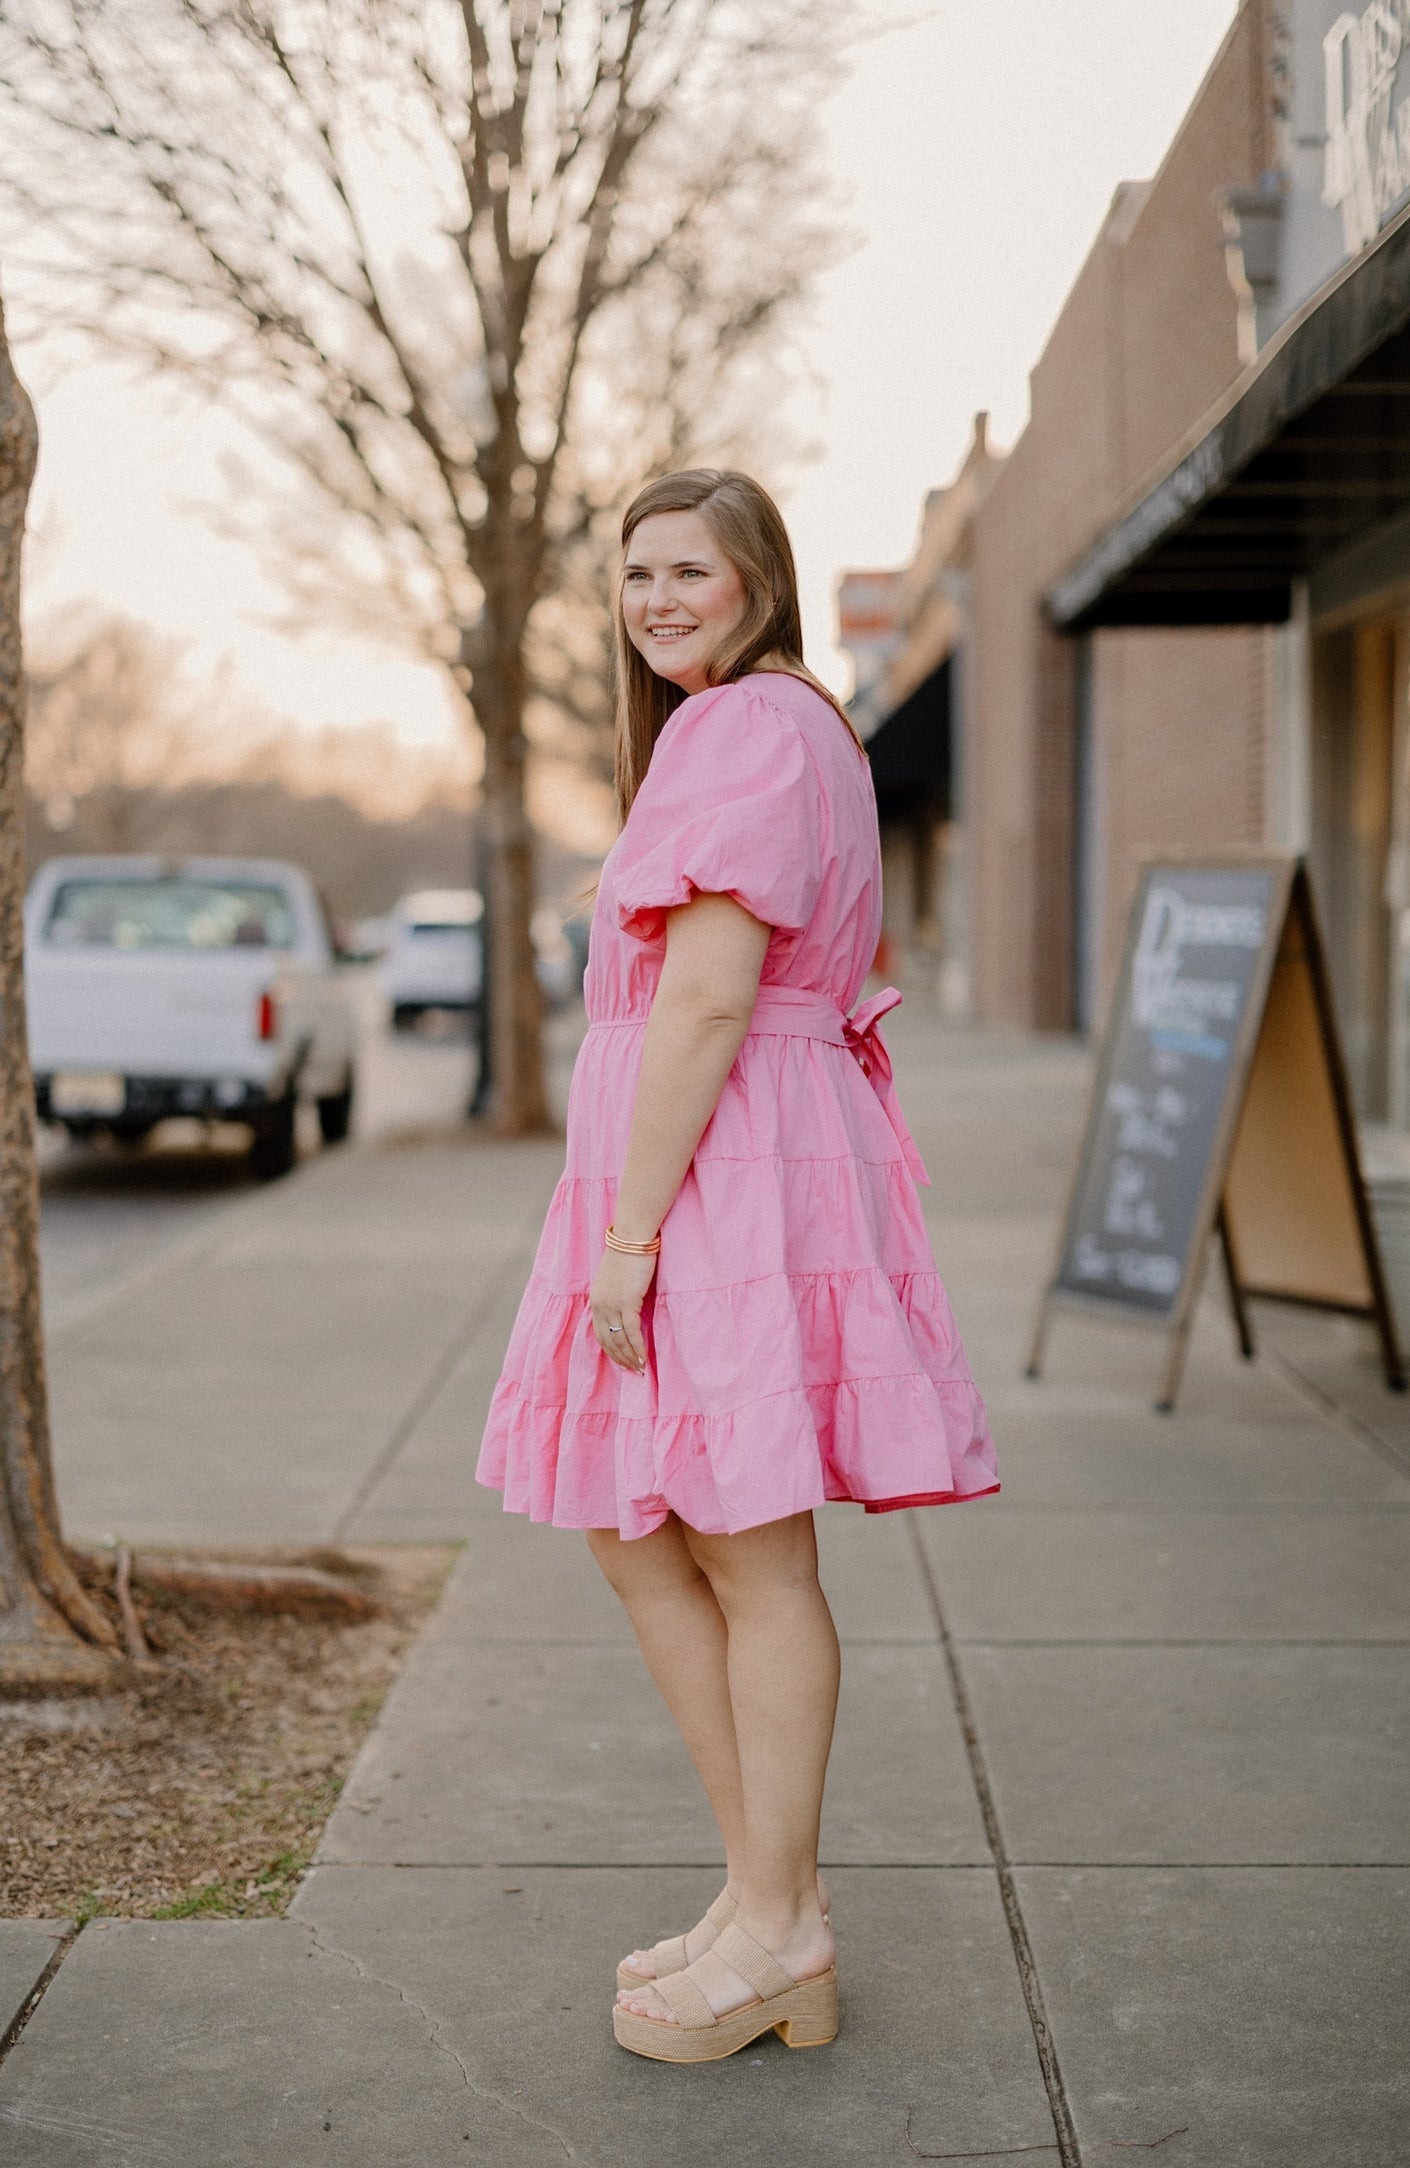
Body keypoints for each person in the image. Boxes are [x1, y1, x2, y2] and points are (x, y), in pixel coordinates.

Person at [477, 469, 997, 2064]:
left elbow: (706, 997)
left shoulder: (744, 730)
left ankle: (780, 1928)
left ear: (757, 579)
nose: (654, 598)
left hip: (718, 1174)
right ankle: (763, 1893)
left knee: (741, 1547)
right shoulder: (771, 728)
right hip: (725, 1157)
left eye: (686, 568)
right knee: (651, 1536)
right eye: (633, 574)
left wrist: (628, 1237)